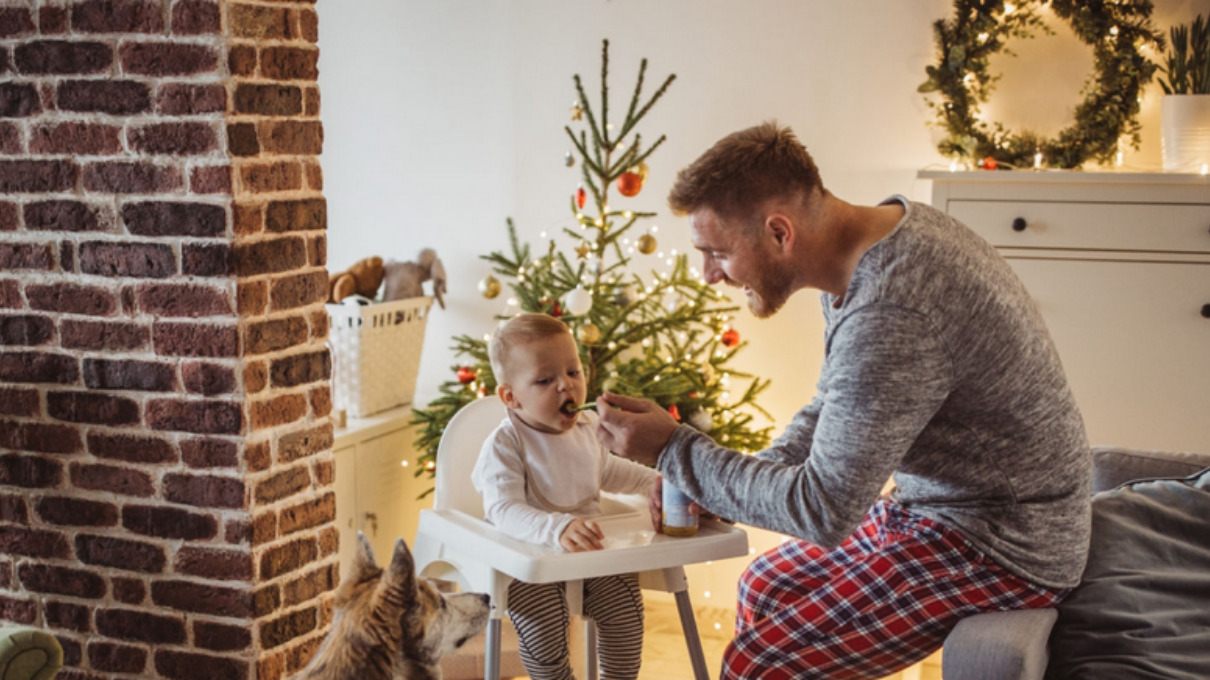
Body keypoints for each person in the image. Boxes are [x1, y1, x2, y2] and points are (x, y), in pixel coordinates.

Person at [595, 122, 1091, 679]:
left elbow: (822, 509)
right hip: (944, 508)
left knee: (760, 665)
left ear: (779, 233)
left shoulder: (891, 309)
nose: (710, 276)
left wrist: (673, 451)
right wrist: (716, 484)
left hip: (1002, 540)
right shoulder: (875, 243)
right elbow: (837, 402)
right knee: (765, 584)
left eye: (717, 253)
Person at [472, 312, 659, 680]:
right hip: (532, 564)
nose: (566, 387)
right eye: (545, 380)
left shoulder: (588, 428)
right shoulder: (505, 444)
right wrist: (556, 528)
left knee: (625, 614)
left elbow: (609, 472)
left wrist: (656, 483)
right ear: (511, 397)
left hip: (590, 552)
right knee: (545, 639)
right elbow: (503, 509)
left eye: (573, 373)